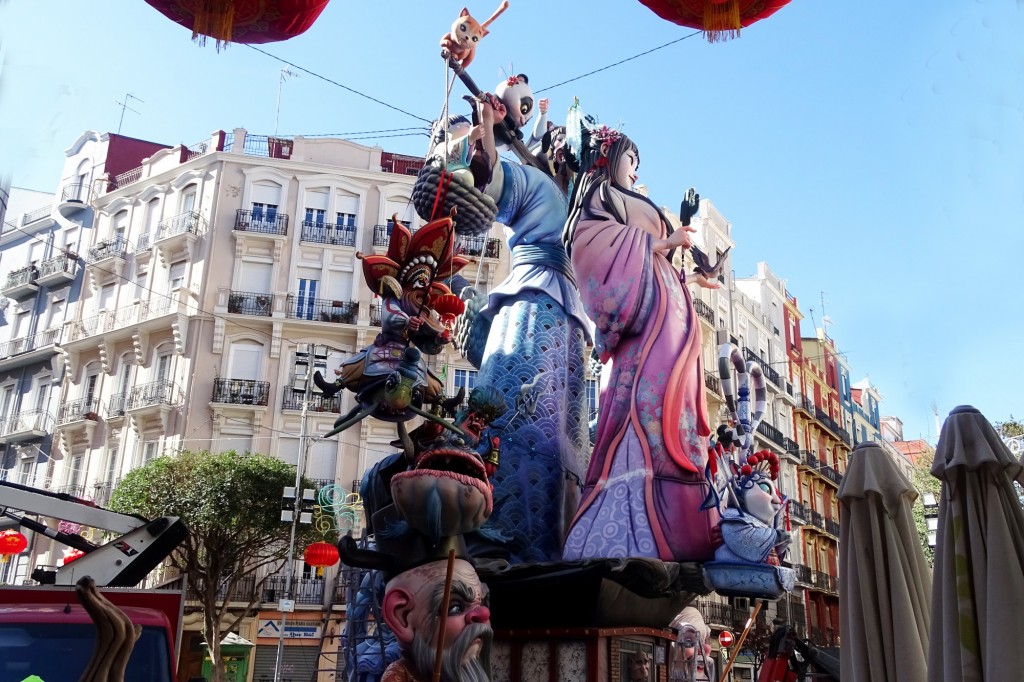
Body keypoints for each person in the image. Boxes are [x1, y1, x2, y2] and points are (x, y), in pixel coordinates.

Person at [561, 125, 721, 563]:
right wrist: (667, 240)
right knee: (646, 396)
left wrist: (681, 232)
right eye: (631, 160)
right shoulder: (602, 196)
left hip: (670, 306)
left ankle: (685, 505)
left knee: (677, 398)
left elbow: (669, 254)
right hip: (644, 312)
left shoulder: (632, 200)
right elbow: (591, 243)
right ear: (612, 159)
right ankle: (639, 508)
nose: (635, 170)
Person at [457, 92, 591, 563]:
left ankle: (553, 548)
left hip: (568, 328)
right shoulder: (542, 187)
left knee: (566, 444)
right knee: (521, 423)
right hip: (533, 306)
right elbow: (490, 181)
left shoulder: (582, 213)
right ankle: (508, 538)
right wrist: (485, 129)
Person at [381, 558, 493, 682]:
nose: (483, 614)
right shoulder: (399, 675)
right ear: (402, 617)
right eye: (455, 607)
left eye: (482, 603)